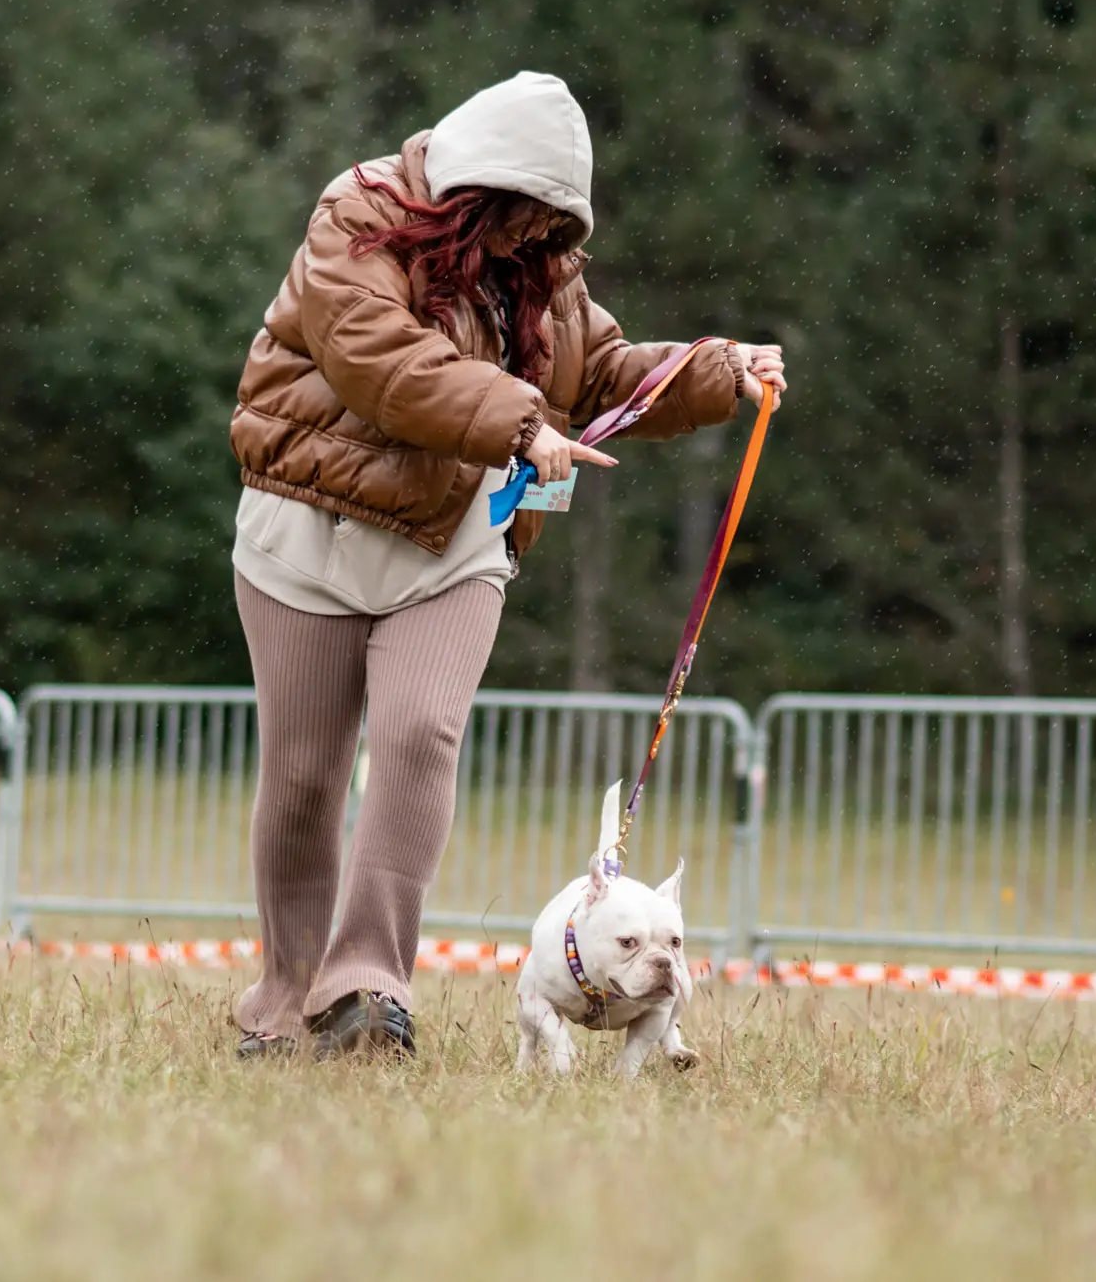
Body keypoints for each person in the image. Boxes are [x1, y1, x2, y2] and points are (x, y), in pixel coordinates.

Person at [226, 70, 787, 1058]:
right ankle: (285, 995)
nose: (531, 240)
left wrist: (715, 368)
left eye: (549, 224)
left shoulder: (544, 272)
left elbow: (606, 374)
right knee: (305, 778)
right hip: (305, 530)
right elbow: (376, 355)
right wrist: (519, 422)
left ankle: (366, 992)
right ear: (470, 192)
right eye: (517, 218)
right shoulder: (352, 217)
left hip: (450, 548)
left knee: (418, 738)